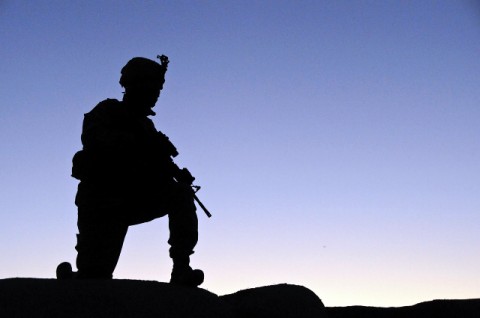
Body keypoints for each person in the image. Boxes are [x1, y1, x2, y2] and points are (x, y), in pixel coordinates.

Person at [56, 55, 204, 287]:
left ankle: (181, 268)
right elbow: (95, 141)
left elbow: (156, 166)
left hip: (134, 197)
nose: (156, 94)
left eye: (158, 89)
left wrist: (172, 172)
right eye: (152, 87)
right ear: (135, 85)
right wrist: (141, 145)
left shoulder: (148, 126)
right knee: (94, 277)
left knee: (181, 194)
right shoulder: (107, 111)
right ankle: (73, 276)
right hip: (103, 202)